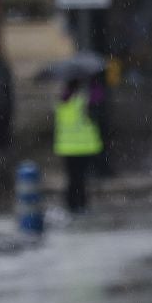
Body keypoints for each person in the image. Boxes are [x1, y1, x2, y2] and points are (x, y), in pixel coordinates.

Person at [53, 77, 103, 216]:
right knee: (81, 178)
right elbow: (98, 101)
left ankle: (71, 204)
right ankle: (80, 204)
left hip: (66, 147)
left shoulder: (62, 101)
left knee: (72, 178)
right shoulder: (83, 101)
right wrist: (93, 86)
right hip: (83, 146)